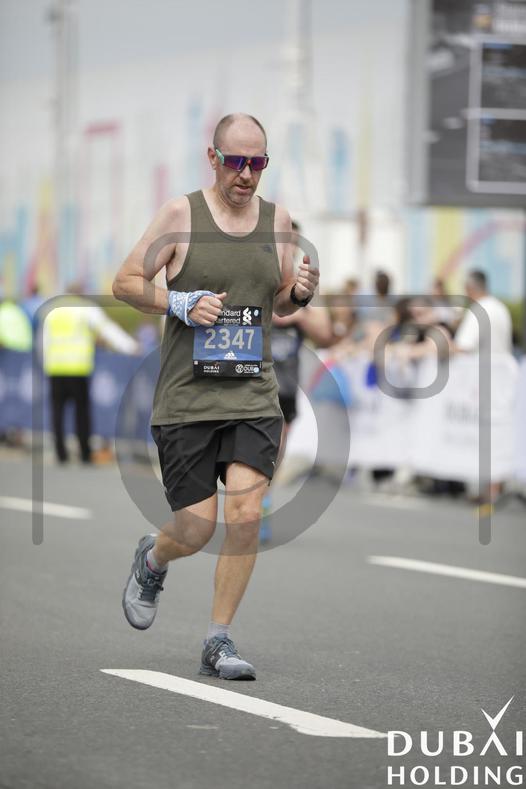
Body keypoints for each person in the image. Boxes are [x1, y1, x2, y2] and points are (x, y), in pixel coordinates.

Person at [112, 113, 319, 680]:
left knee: (246, 514)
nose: (247, 175)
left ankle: (218, 639)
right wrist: (178, 302)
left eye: (258, 164)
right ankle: (154, 558)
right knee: (196, 528)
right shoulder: (180, 216)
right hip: (188, 399)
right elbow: (125, 282)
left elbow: (279, 301)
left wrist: (300, 294)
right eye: (237, 162)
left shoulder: (279, 222)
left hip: (253, 395)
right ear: (213, 158)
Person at [260, 220, 332, 542]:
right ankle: (247, 500)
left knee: (277, 449)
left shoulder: (304, 284)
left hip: (286, 384)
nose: (287, 247)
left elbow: (325, 333)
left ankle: (262, 500)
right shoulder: (259, 273)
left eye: (292, 241)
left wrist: (299, 311)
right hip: (249, 378)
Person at [43, 282, 138, 464]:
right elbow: (108, 330)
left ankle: (60, 453)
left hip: (55, 368)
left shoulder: (53, 310)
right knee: (82, 413)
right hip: (78, 368)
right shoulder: (86, 309)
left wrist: (46, 364)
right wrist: (132, 347)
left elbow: (44, 341)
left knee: (57, 412)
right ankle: (85, 453)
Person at [454, 269, 512, 355]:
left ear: (469, 288)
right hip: (502, 363)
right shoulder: (501, 308)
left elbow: (463, 347)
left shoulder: (477, 310)